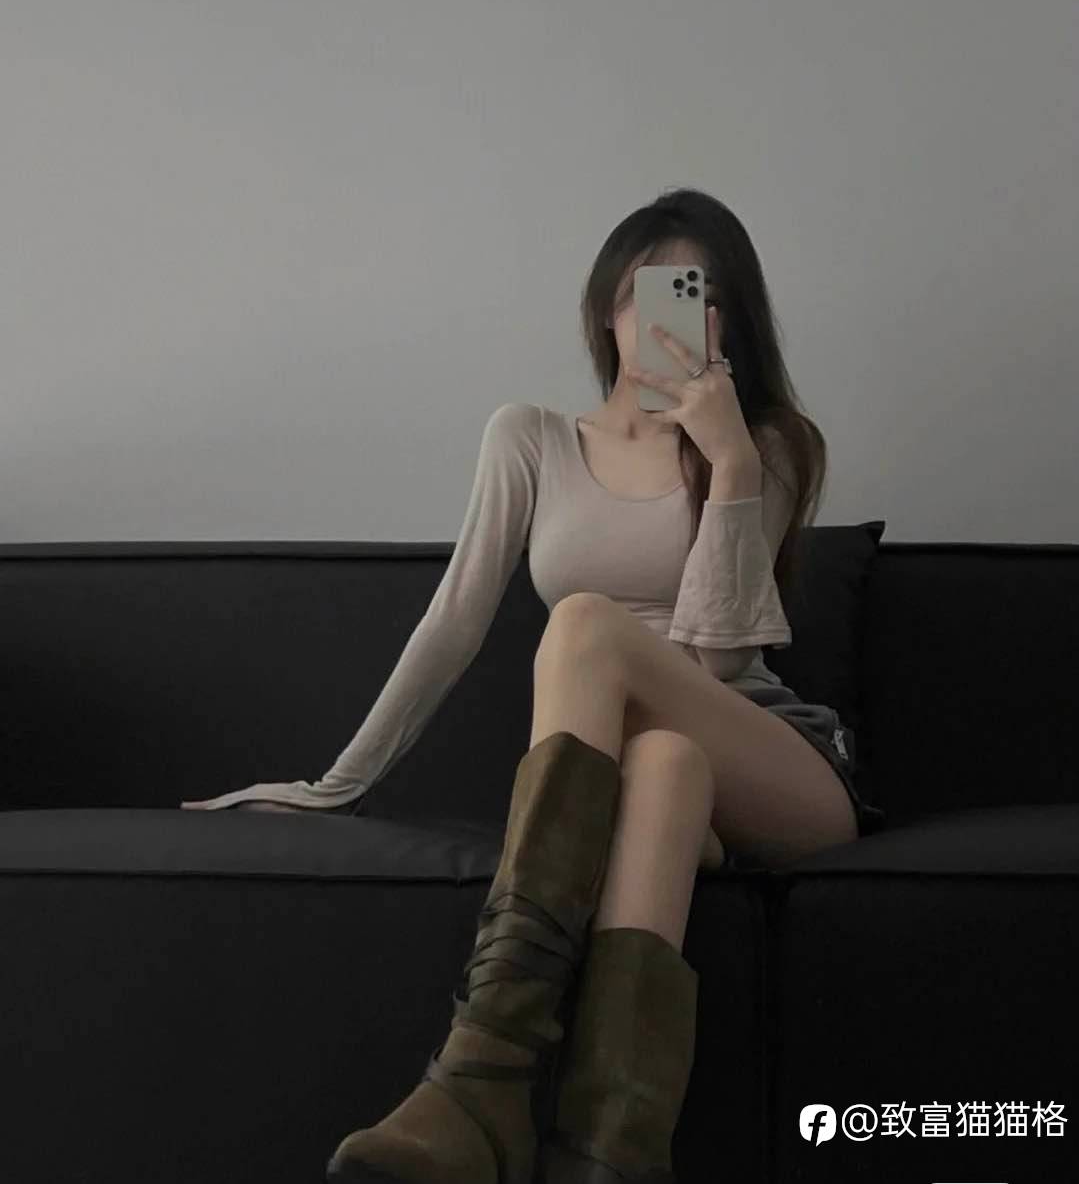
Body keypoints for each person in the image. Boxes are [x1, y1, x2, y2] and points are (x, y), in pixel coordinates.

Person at [185, 187, 887, 1183]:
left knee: (586, 626)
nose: (667, 318)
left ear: (729, 322)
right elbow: (450, 626)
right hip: (651, 771)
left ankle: (482, 1073)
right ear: (605, 309)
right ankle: (607, 1152)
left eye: (698, 296)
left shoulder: (765, 444)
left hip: (776, 762)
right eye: (646, 292)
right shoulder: (530, 438)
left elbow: (720, 665)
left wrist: (727, 460)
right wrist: (333, 784)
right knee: (662, 764)